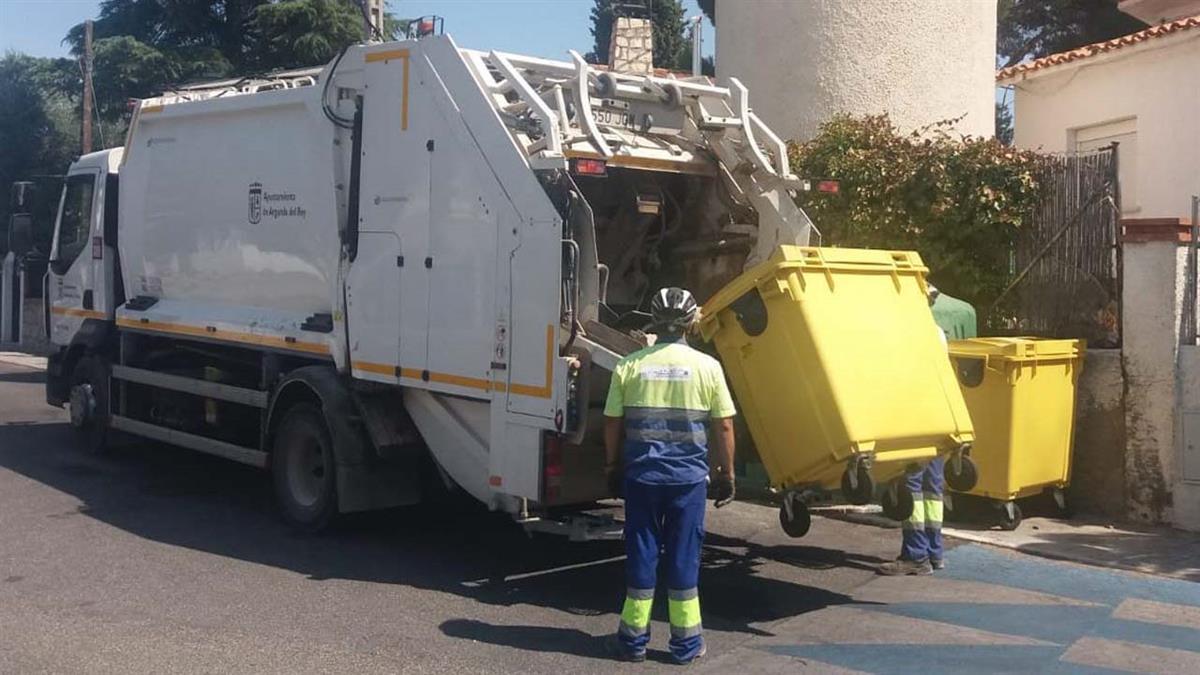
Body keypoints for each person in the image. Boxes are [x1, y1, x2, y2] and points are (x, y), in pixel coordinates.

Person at [603, 287, 738, 664]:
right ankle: (686, 645)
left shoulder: (629, 366)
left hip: (642, 478)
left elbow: (613, 422)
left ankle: (632, 642)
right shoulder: (708, 367)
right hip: (688, 481)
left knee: (642, 554)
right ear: (691, 322)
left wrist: (612, 467)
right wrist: (727, 474)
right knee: (683, 557)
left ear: (652, 320)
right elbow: (724, 426)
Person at [878, 283, 947, 576]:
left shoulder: (908, 333)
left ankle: (915, 555)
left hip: (914, 418)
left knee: (913, 488)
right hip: (938, 417)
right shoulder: (937, 333)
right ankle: (934, 553)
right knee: (933, 489)